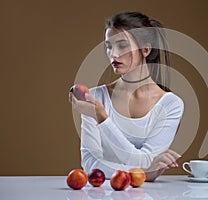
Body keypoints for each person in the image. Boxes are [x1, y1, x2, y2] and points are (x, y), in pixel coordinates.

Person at [69, 12, 184, 181]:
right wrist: (143, 172)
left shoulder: (171, 105)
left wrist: (101, 117)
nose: (113, 54)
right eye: (109, 46)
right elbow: (90, 165)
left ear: (146, 49)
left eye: (122, 45)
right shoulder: (94, 98)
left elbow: (146, 160)